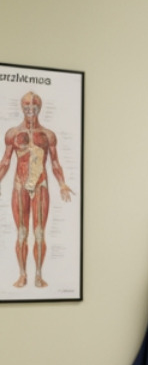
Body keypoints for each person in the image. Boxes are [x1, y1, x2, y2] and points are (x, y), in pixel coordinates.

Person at [1, 90, 73, 288]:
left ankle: (39, 275)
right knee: (22, 233)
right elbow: (5, 161)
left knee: (39, 233)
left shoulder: (48, 135)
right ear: (22, 108)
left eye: (34, 107)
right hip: (20, 186)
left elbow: (55, 163)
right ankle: (23, 274)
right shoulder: (13, 134)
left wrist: (62, 183)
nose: (31, 111)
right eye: (27, 107)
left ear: (39, 108)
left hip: (40, 185)